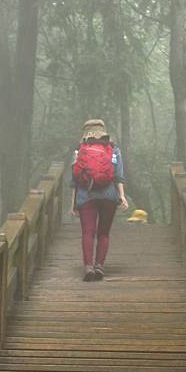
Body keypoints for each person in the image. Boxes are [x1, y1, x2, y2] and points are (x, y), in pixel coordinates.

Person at [71, 119, 129, 281]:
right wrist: (122, 196)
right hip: (109, 196)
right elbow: (118, 176)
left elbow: (74, 179)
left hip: (85, 196)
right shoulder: (113, 149)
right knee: (104, 233)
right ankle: (99, 266)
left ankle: (88, 266)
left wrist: (74, 203)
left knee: (87, 233)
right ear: (103, 131)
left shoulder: (80, 150)